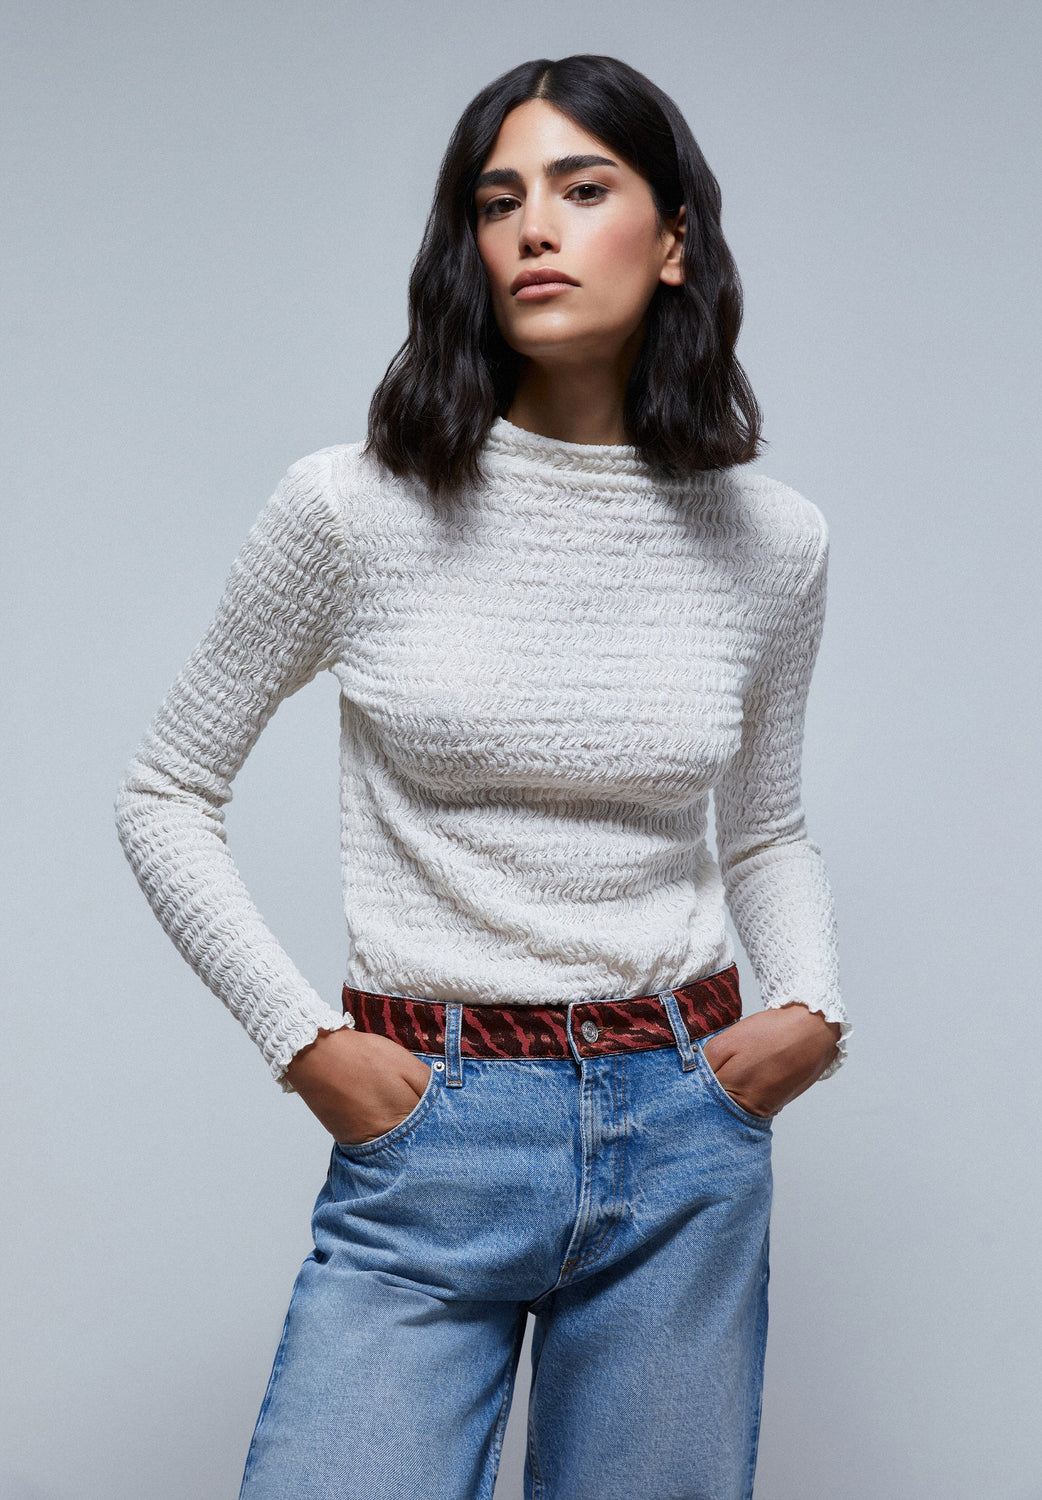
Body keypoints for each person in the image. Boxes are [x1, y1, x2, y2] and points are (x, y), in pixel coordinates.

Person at [115, 53, 850, 1500]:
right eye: (497, 200)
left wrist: (812, 1012)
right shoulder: (351, 509)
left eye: (583, 189)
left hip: (683, 1137)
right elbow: (164, 791)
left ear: (675, 238)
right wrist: (305, 1044)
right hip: (431, 1131)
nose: (534, 229)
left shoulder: (773, 542)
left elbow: (765, 829)